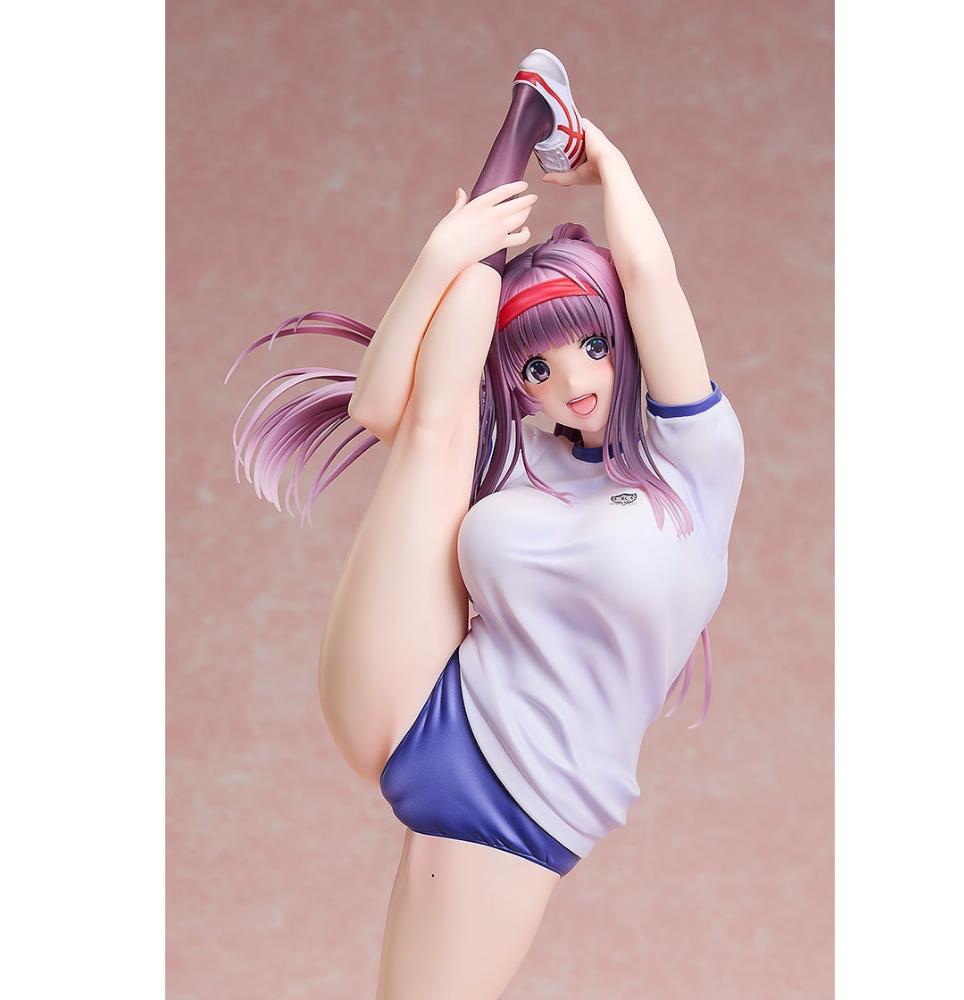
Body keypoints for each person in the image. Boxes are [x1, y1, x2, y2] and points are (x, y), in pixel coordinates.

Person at [226, 47, 745, 1000]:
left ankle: (533, 133)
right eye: (538, 367)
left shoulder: (693, 463)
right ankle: (520, 119)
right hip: (418, 700)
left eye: (594, 345)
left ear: (625, 341)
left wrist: (608, 162)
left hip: (523, 798)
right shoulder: (520, 456)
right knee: (462, 331)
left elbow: (649, 275)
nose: (572, 381)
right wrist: (441, 255)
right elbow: (384, 409)